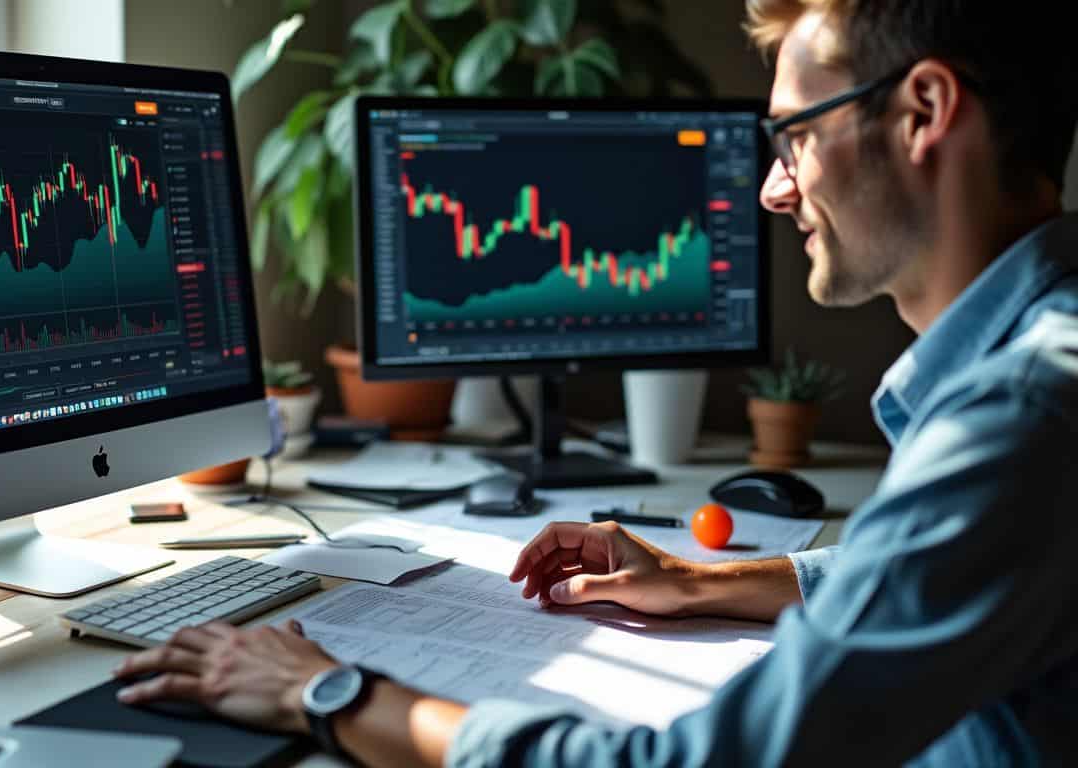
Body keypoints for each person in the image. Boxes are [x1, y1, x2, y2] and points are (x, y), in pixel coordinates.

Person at [112, 1, 1078, 764]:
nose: (772, 189)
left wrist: (330, 692)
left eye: (794, 136)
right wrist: (704, 582)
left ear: (924, 112)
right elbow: (921, 576)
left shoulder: (1016, 423)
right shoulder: (1035, 375)